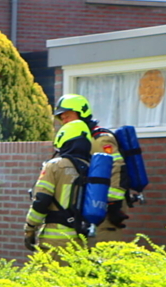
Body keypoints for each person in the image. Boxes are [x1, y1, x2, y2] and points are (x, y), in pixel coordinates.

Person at [52, 94, 128, 243]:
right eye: (62, 118)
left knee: (103, 247)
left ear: (82, 113)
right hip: (88, 203)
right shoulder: (76, 138)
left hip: (103, 204)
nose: (64, 121)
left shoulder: (100, 139)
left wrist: (112, 203)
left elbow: (116, 168)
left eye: (68, 116)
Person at [24, 119, 93, 253]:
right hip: (81, 242)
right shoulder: (91, 168)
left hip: (55, 242)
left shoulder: (55, 165)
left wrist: (30, 229)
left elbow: (41, 200)